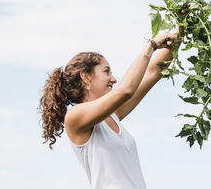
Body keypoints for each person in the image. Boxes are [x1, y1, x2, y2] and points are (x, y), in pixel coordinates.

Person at [38, 30, 178, 189]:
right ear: (86, 77)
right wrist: (151, 45)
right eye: (106, 72)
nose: (113, 79)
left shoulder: (114, 115)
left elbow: (154, 71)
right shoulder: (74, 117)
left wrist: (181, 28)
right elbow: (126, 90)